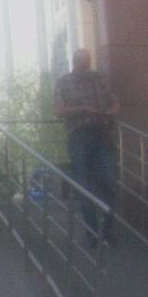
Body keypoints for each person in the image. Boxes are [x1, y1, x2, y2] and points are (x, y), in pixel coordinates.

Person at [54, 48, 121, 247]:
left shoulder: (98, 79)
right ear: (75, 62)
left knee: (109, 182)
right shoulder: (64, 82)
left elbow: (115, 103)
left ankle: (107, 232)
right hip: (79, 137)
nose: (85, 67)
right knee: (83, 185)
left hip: (101, 136)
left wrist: (110, 112)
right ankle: (91, 233)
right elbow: (58, 110)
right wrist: (82, 109)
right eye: (82, 63)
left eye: (87, 63)